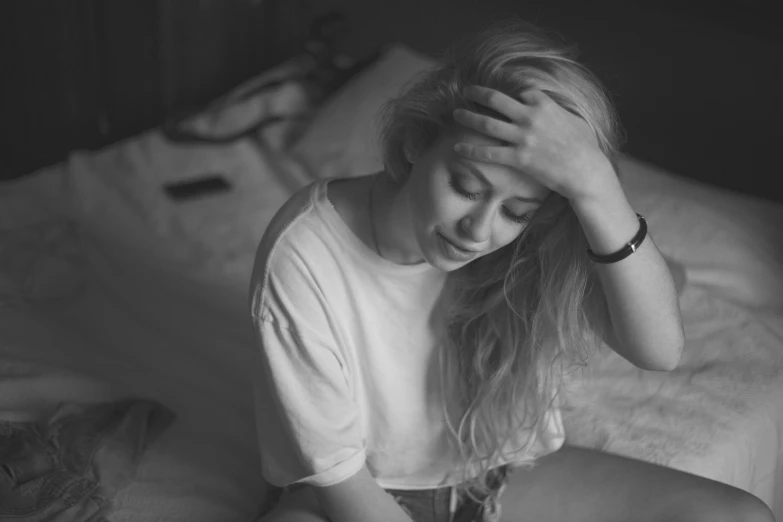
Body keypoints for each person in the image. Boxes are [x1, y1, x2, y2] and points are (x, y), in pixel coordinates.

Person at [249, 19, 775, 522]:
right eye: (467, 188)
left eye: (516, 212)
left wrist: (594, 184)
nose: (479, 230)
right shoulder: (303, 253)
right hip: (345, 497)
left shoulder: (531, 246)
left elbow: (659, 351)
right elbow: (342, 480)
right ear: (414, 146)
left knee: (739, 515)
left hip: (488, 476)